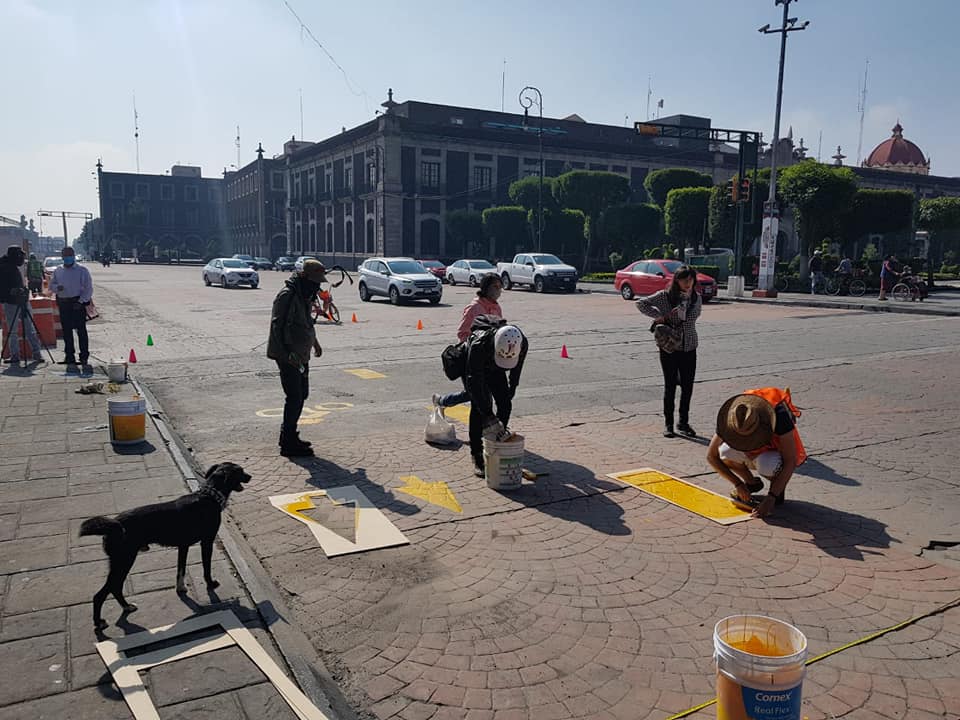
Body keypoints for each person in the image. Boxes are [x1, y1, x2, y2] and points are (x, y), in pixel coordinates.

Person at [706, 388, 807, 519]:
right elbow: (711, 456)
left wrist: (771, 498)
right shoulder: (732, 415)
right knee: (725, 452)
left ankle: (778, 490)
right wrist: (738, 483)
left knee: (767, 464)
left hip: (773, 451)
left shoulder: (779, 415)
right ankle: (751, 484)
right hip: (756, 448)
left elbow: (790, 461)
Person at [267, 259, 326, 457]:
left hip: (301, 354)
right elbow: (277, 326)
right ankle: (287, 441)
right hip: (289, 356)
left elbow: (307, 322)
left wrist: (315, 343)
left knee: (303, 394)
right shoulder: (287, 295)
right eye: (315, 281)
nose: (318, 286)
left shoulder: (303, 294)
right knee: (294, 396)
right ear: (304, 277)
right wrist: (288, 352)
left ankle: (291, 435)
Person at [635, 265, 702, 438]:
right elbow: (641, 303)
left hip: (689, 347)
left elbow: (690, 319)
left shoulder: (696, 298)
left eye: (690, 280)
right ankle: (669, 424)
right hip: (669, 347)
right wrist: (659, 316)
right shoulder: (664, 297)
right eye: (683, 280)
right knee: (670, 385)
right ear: (676, 281)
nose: (687, 284)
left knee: (687, 387)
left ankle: (683, 422)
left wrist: (685, 303)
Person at [432, 275, 504, 412]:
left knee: (482, 393)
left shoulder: (496, 307)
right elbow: (462, 333)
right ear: (486, 288)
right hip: (471, 357)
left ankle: (443, 401)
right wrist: (476, 344)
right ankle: (443, 401)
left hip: (489, 358)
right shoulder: (474, 308)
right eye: (495, 287)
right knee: (476, 393)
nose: (499, 290)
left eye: (500, 287)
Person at [465, 324, 528, 477]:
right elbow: (474, 381)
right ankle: (477, 454)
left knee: (505, 404)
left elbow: (517, 367)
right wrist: (487, 414)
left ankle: (498, 442)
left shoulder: (522, 342)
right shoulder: (478, 345)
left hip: (496, 368)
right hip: (475, 368)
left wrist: (512, 387)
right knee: (478, 408)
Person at [48, 246, 93, 367]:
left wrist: (81, 301)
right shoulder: (58, 270)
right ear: (62, 257)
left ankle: (84, 356)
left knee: (81, 331)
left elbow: (88, 289)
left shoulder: (82, 270)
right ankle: (69, 356)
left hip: (77, 303)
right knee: (66, 331)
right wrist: (57, 288)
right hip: (63, 303)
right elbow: (51, 286)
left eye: (70, 255)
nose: (68, 258)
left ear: (73, 256)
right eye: (66, 255)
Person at [0, 246, 44, 367]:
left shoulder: (12, 266)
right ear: (14, 256)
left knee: (29, 328)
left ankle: (36, 353)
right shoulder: (3, 267)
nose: (22, 259)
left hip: (22, 301)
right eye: (20, 256)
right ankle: (15, 355)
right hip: (10, 303)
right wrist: (11, 291)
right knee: (13, 331)